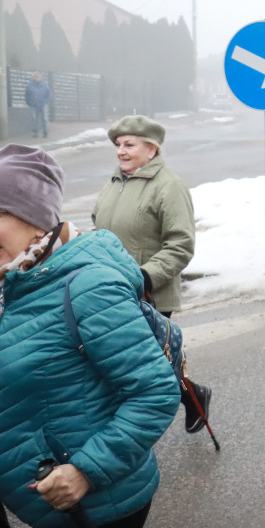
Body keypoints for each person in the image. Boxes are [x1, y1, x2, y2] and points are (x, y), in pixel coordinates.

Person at [0, 144, 180, 528]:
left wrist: (84, 470)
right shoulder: (15, 280)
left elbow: (155, 392)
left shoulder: (86, 286)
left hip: (95, 500)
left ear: (35, 219)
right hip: (47, 499)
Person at [93, 115, 211, 433]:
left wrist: (144, 277)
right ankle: (191, 395)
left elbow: (181, 244)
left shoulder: (169, 186)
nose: (121, 151)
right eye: (118, 145)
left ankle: (136, 431)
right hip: (106, 291)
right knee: (125, 364)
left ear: (151, 149)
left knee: (144, 367)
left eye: (129, 145)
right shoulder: (114, 184)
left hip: (150, 294)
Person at [24, 71, 51, 139]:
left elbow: (49, 94)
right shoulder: (29, 85)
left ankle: (45, 133)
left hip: (43, 104)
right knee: (34, 119)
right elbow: (27, 95)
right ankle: (35, 132)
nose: (37, 78)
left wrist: (45, 102)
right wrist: (29, 103)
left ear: (40, 77)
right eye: (35, 77)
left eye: (38, 77)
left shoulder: (44, 85)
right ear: (33, 77)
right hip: (34, 104)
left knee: (44, 119)